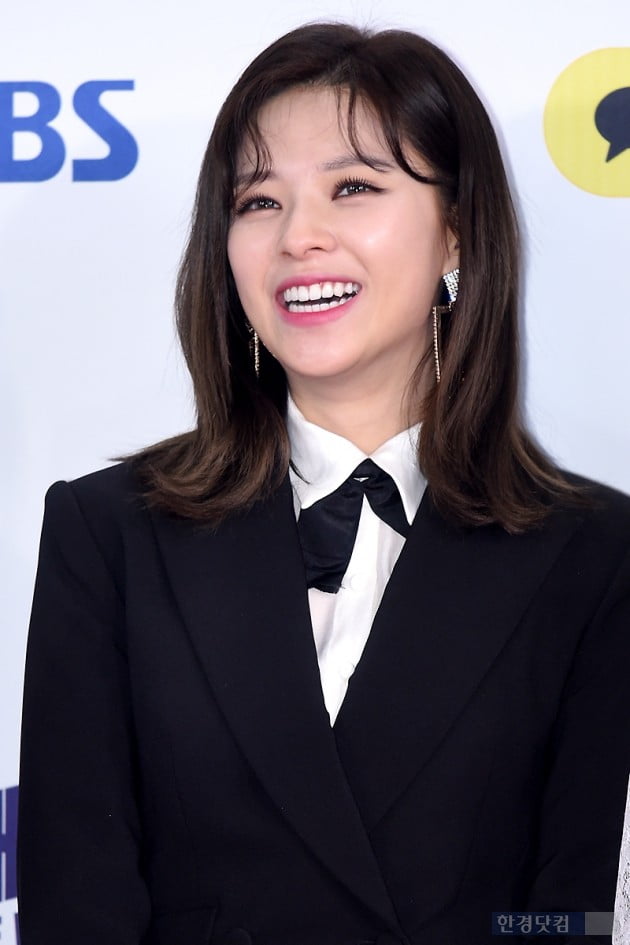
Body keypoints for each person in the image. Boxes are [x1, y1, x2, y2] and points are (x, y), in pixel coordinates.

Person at [17, 22, 630, 945]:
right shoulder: (108, 534)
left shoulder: (594, 553)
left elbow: (566, 916)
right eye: (259, 201)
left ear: (457, 231)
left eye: (353, 187)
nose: (299, 237)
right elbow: (77, 905)